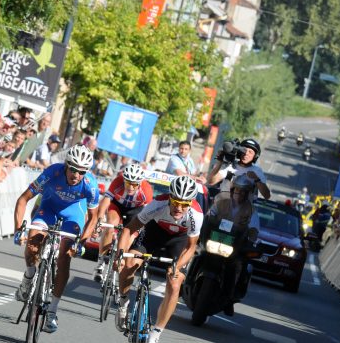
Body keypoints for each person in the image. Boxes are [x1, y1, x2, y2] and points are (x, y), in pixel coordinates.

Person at [13, 144, 99, 333]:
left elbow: (93, 219)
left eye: (81, 171)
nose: (76, 174)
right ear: (66, 165)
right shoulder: (52, 172)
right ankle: (28, 277)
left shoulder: (91, 185)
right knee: (33, 244)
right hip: (48, 210)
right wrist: (18, 230)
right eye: (73, 169)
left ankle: (52, 311)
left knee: (64, 258)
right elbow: (22, 199)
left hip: (73, 216)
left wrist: (81, 242)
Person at [115, 176, 202, 343]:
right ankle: (123, 303)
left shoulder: (196, 215)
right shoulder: (156, 205)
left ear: (190, 203)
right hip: (154, 232)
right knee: (130, 263)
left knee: (175, 283)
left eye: (184, 204)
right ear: (169, 197)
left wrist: (177, 267)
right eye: (176, 201)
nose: (179, 208)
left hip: (179, 240)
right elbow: (128, 229)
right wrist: (121, 253)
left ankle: (157, 332)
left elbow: (191, 247)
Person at [201, 175, 259, 317]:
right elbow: (210, 216)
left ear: (249, 194)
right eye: (238, 190)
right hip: (214, 239)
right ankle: (185, 280)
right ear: (232, 191)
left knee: (237, 267)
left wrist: (251, 238)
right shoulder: (221, 203)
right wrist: (206, 224)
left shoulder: (251, 211)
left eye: (245, 192)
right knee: (197, 253)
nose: (241, 194)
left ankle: (229, 299)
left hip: (234, 246)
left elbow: (254, 229)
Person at [93, 163, 153, 282]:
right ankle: (101, 261)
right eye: (128, 183)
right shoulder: (118, 181)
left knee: (129, 235)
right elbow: (106, 201)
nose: (130, 187)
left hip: (136, 210)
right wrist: (99, 220)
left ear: (140, 183)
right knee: (110, 225)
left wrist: (138, 230)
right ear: (124, 179)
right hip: (117, 206)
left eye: (134, 184)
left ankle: (118, 263)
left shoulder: (146, 190)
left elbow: (147, 214)